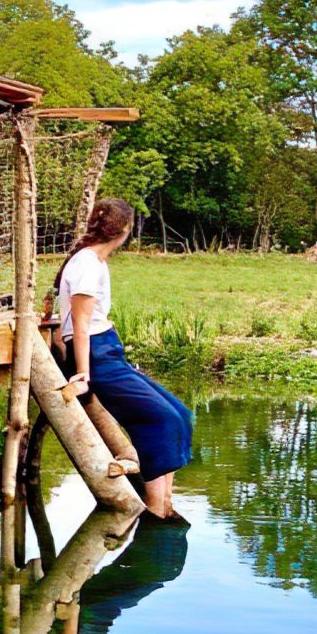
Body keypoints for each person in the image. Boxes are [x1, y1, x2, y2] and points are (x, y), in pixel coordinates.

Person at [52, 198, 193, 520]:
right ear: (125, 229)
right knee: (162, 419)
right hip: (96, 355)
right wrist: (84, 374)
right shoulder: (86, 264)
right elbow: (81, 324)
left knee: (180, 415)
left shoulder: (94, 262)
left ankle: (164, 498)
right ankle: (157, 508)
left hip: (107, 349)